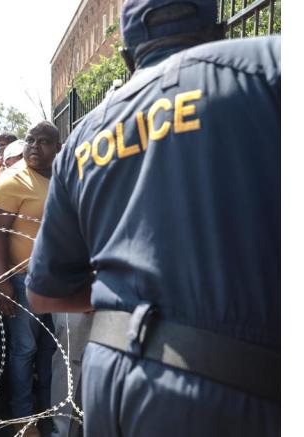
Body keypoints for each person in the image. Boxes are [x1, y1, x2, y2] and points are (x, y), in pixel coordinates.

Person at [25, 1, 280, 436]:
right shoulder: (270, 67)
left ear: (126, 57)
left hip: (110, 381)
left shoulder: (86, 134)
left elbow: (46, 293)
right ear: (218, 31)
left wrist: (129, 303)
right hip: (236, 384)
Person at [0, 121, 62, 437]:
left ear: (57, 148)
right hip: (22, 281)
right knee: (24, 351)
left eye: (43, 141)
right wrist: (3, 282)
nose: (33, 146)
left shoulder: (63, 177)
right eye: (30, 139)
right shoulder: (12, 181)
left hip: (58, 283)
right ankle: (23, 417)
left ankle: (48, 412)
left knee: (51, 353)